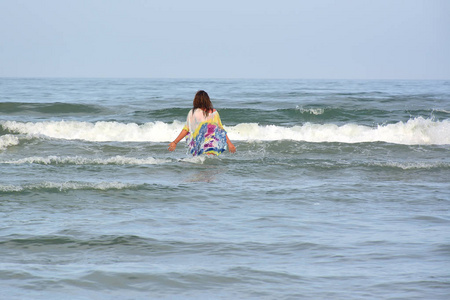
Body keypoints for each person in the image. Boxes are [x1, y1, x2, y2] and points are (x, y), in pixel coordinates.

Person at [168, 90, 236, 156]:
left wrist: (175, 142)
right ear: (207, 100)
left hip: (200, 143)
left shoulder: (193, 113)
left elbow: (186, 129)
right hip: (212, 144)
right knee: (210, 164)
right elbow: (221, 130)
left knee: (202, 164)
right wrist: (229, 143)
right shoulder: (214, 112)